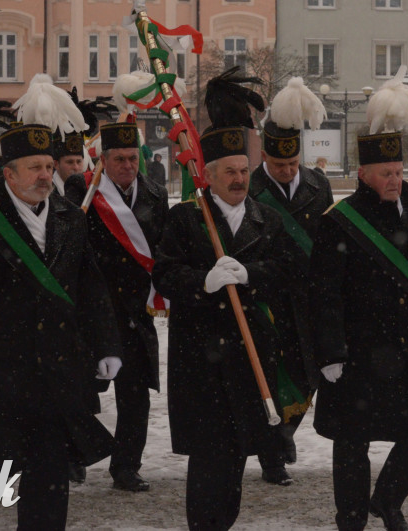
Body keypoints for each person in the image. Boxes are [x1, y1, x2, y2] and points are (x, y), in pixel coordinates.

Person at [0, 124, 122, 530]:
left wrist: (107, 345)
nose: (45, 175)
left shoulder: (71, 218)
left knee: (48, 481)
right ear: (8, 173)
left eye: (49, 166)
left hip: (54, 375)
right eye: (34, 167)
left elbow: (91, 287)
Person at [308, 79, 408, 531]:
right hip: (358, 350)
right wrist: (330, 352)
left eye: (398, 170)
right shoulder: (340, 223)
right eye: (385, 173)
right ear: (363, 176)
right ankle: (350, 518)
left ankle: (388, 500)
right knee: (353, 441)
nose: (394, 180)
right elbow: (324, 293)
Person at [154, 119, 308, 531]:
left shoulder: (267, 220)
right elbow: (164, 274)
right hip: (200, 357)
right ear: (208, 176)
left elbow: (288, 272)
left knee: (239, 452)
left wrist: (250, 274)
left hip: (250, 354)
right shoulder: (186, 219)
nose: (239, 180)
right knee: (209, 456)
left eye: (243, 171)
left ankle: (222, 522)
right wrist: (202, 281)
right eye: (229, 172)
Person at [65, 122, 169, 493]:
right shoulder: (83, 189)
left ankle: (126, 466)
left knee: (135, 396)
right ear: (103, 161)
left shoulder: (156, 194)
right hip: (93, 308)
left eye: (132, 159)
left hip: (135, 311)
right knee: (77, 390)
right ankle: (74, 455)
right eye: (119, 159)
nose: (127, 166)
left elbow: (160, 249)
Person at [249, 84, 331, 485]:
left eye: (293, 164)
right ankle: (272, 453)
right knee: (271, 374)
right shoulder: (249, 189)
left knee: (308, 373)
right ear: (264, 156)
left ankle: (285, 430)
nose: (287, 171)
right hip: (269, 296)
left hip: (310, 298)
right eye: (279, 165)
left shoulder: (318, 184)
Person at [52, 131, 85, 197]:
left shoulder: (89, 189)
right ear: (56, 164)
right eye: (70, 162)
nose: (76, 167)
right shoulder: (48, 193)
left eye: (79, 162)